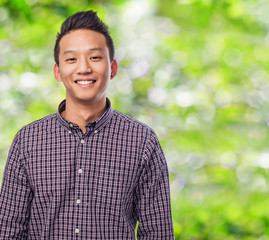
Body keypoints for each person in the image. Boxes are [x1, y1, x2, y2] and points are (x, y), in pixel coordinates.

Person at [0, 10, 174, 239]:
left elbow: (158, 233)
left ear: (112, 68)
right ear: (58, 71)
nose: (83, 68)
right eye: (71, 59)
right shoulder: (28, 140)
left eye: (95, 57)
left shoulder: (142, 141)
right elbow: (9, 230)